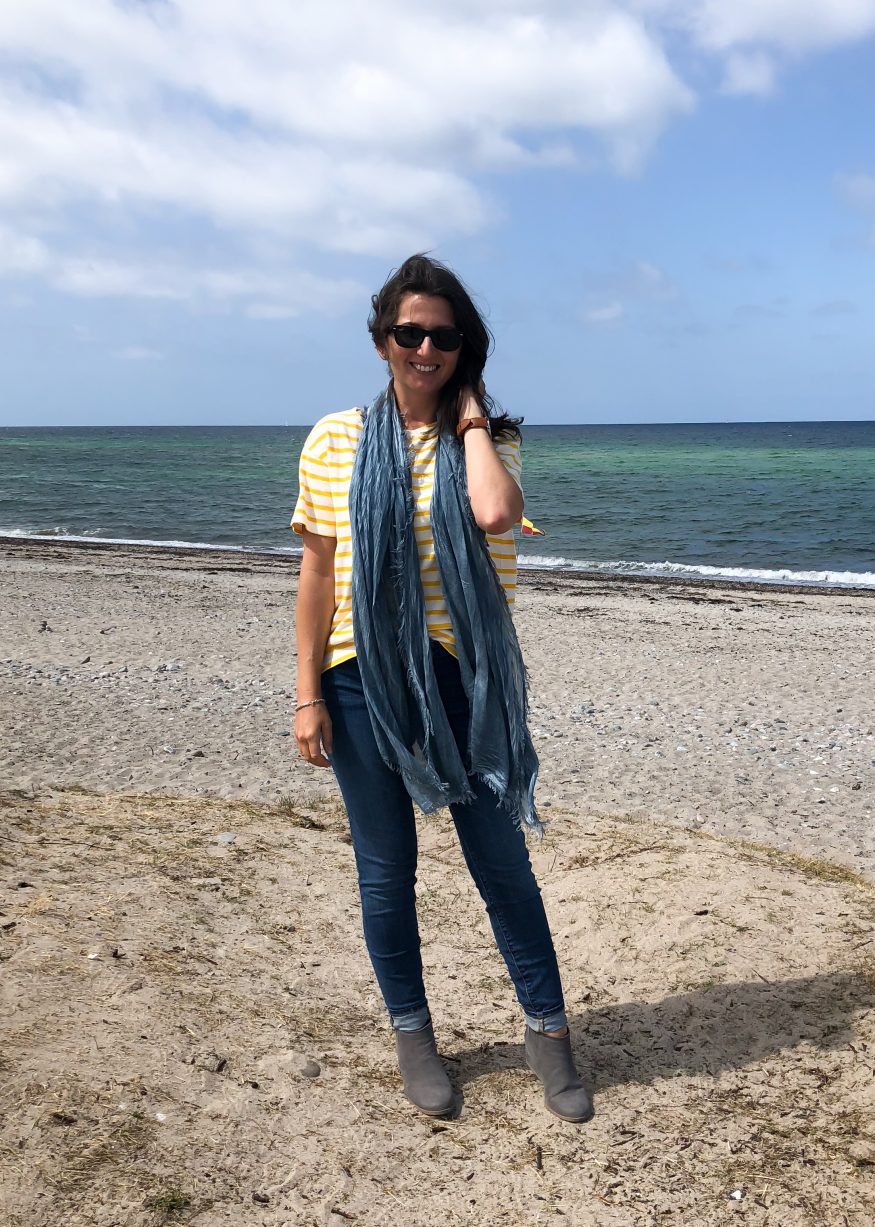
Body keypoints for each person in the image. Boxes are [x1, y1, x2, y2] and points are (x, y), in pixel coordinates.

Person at [290, 254, 590, 1123]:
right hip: (360, 681)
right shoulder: (332, 437)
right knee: (387, 873)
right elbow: (316, 574)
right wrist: (306, 692)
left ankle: (548, 1034)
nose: (424, 347)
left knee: (504, 867)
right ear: (382, 338)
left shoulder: (493, 440)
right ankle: (415, 1037)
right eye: (409, 332)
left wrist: (466, 424)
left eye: (443, 336)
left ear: (464, 347)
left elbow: (495, 514)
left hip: (466, 682)